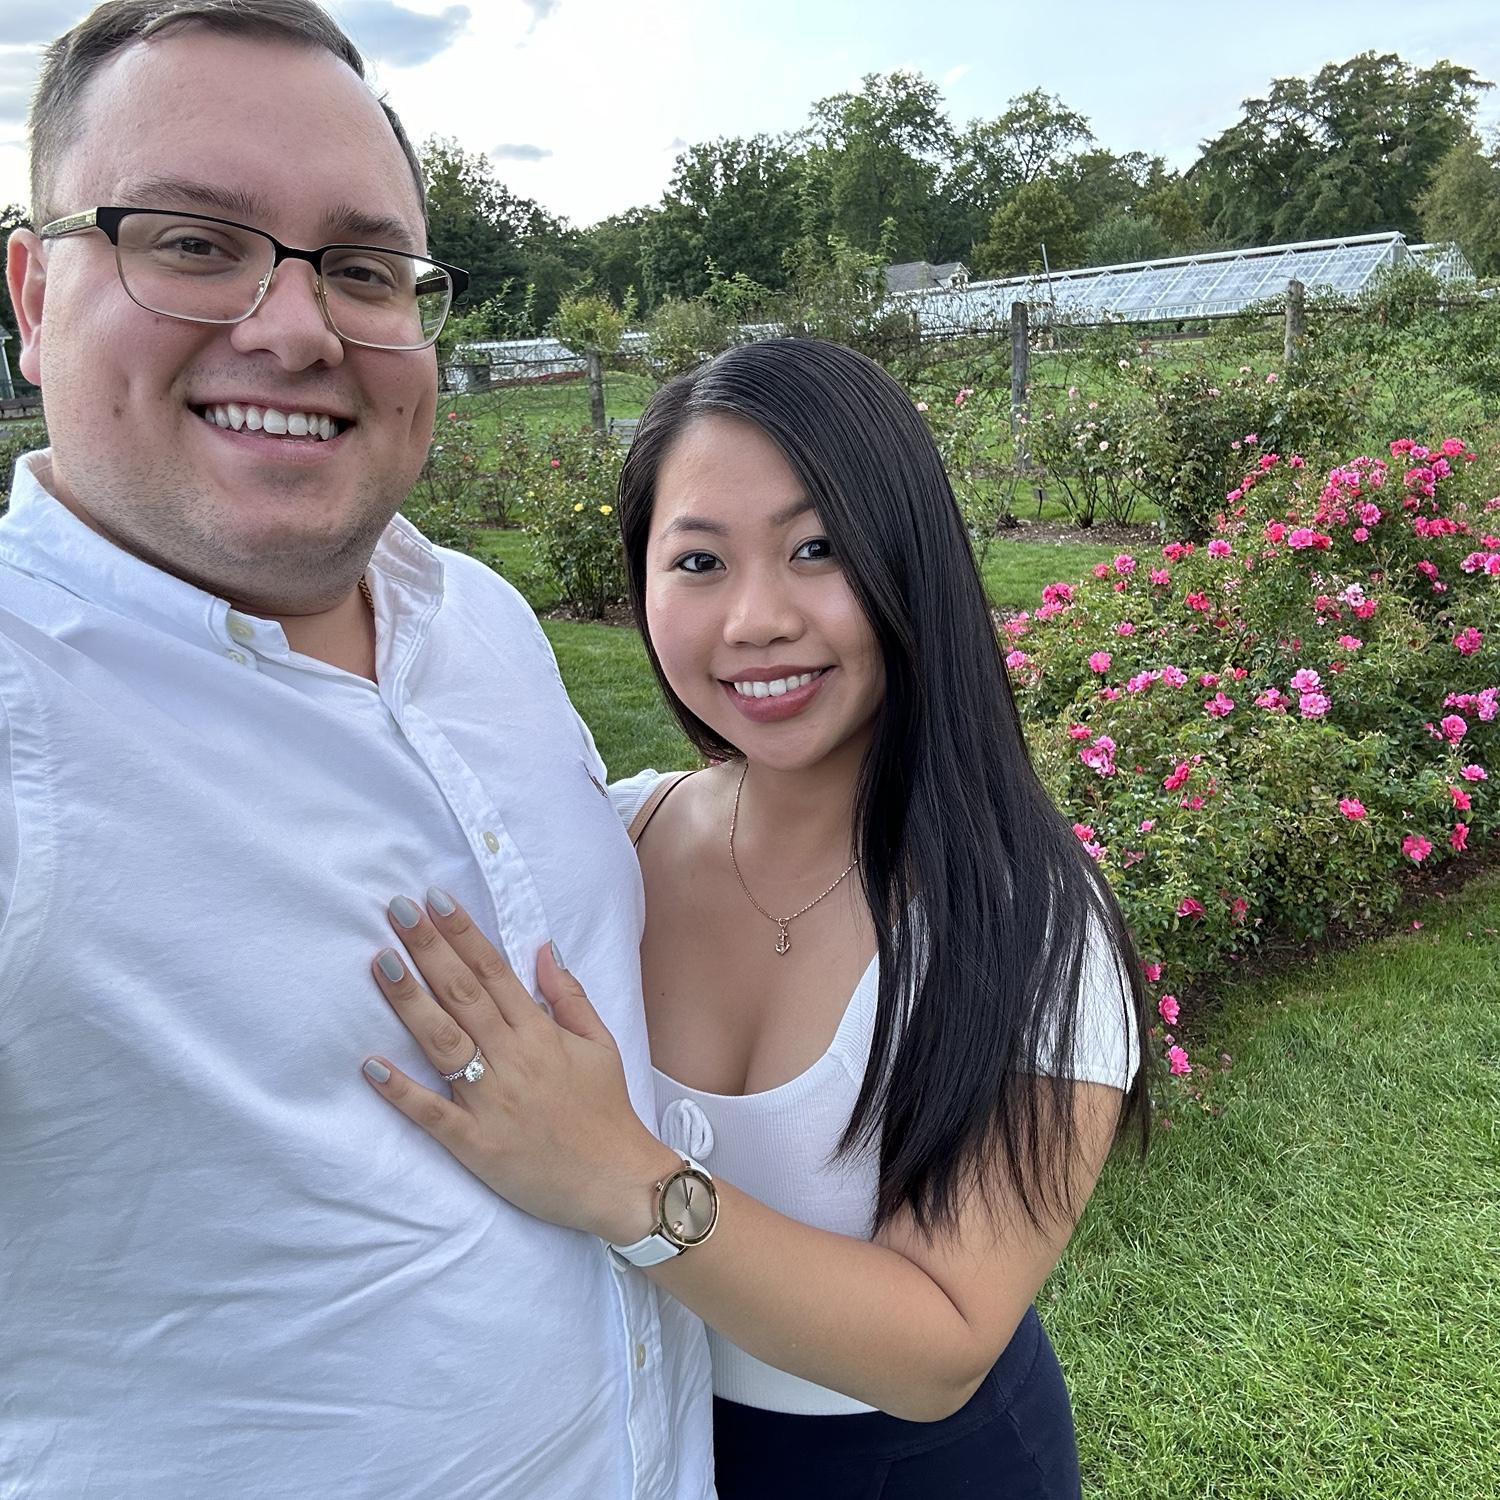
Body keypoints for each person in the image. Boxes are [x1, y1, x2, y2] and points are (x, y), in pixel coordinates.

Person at [0, 2, 711, 1495]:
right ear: (34, 291)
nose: (297, 326)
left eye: (365, 267)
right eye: (193, 242)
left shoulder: (475, 615)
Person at [358, 338, 1152, 1498]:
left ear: (909, 558)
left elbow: (939, 1348)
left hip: (910, 1470)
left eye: (815, 549)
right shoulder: (607, 852)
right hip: (634, 1439)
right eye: (698, 561)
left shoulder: (1026, 920)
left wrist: (619, 1176)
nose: (756, 619)